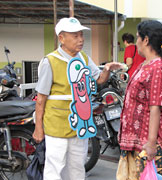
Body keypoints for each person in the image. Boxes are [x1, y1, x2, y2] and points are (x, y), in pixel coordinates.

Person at [33, 17, 124, 180]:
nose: (81, 39)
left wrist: (108, 69)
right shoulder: (50, 61)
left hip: (80, 122)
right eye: (75, 36)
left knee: (77, 165)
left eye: (81, 35)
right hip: (56, 124)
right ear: (62, 38)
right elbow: (41, 98)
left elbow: (98, 80)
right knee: (55, 166)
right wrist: (38, 127)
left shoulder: (83, 57)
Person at [116, 20, 162, 180]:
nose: (136, 43)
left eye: (138, 38)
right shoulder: (146, 65)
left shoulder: (158, 68)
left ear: (146, 40)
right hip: (135, 143)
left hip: (148, 148)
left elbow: (155, 108)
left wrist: (150, 143)